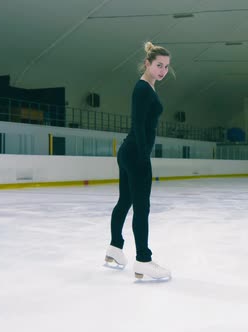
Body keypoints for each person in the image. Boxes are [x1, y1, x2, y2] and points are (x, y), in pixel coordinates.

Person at [105, 41, 172, 280]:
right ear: (147, 64)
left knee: (125, 201)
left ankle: (114, 248)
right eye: (158, 65)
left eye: (166, 66)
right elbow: (138, 125)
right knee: (141, 208)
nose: (163, 70)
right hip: (136, 153)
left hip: (129, 151)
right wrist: (144, 156)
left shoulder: (147, 87)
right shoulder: (143, 88)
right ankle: (143, 259)